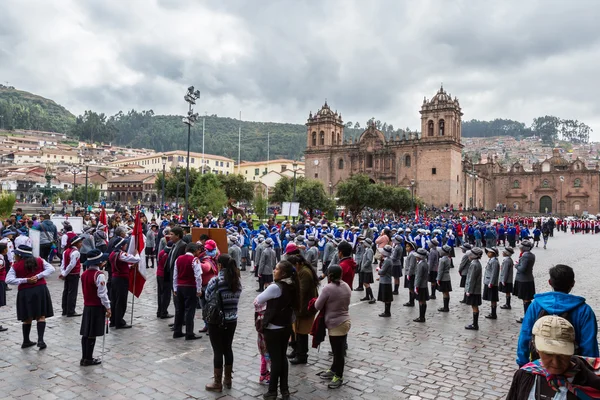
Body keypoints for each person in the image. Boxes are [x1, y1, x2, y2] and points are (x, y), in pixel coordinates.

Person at [516, 264, 599, 367]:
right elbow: (589, 344)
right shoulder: (584, 311)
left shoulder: (536, 306)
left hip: (540, 364)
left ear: (550, 282)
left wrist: (522, 362)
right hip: (571, 366)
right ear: (572, 284)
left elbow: (525, 335)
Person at [507, 315, 600, 399]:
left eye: (563, 354)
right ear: (536, 349)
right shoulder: (526, 375)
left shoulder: (592, 383)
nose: (556, 362)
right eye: (548, 354)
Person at [254, 260, 298, 400]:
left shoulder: (275, 287)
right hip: (285, 327)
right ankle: (285, 390)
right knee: (282, 358)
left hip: (273, 328)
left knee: (276, 360)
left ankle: (272, 391)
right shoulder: (293, 285)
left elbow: (257, 300)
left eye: (277, 269)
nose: (274, 270)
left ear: (283, 273)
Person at [204, 254, 242, 392]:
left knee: (217, 350)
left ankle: (217, 383)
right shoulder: (237, 281)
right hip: (232, 319)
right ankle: (228, 380)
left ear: (219, 265)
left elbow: (208, 296)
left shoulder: (215, 281)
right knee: (228, 348)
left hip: (217, 320)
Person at [5, 245, 55, 349]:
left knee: (27, 316)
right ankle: (40, 340)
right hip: (40, 289)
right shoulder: (39, 260)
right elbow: (51, 269)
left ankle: (26, 340)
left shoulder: (16, 266)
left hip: (25, 291)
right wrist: (38, 276)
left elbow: (8, 279)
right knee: (41, 315)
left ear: (20, 255)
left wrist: (25, 280)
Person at [314, 264, 351, 389]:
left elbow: (317, 306)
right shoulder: (346, 286)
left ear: (329, 275)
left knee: (338, 352)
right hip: (344, 321)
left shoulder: (327, 288)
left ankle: (339, 376)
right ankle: (333, 369)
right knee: (337, 350)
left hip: (336, 324)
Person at [79, 249, 111, 366]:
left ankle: (84, 357)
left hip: (87, 306)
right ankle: (88, 358)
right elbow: (102, 293)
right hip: (96, 306)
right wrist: (108, 307)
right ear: (100, 262)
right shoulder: (99, 275)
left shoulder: (84, 274)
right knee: (92, 333)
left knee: (86, 332)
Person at [287, 254, 319, 365]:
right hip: (300, 307)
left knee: (302, 332)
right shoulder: (302, 270)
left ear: (297, 264)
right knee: (296, 330)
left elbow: (301, 291)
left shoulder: (305, 272)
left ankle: (302, 355)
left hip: (305, 308)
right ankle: (296, 351)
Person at [172, 242, 202, 340]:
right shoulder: (195, 260)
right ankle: (189, 332)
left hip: (180, 287)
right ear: (194, 251)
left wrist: (175, 288)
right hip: (190, 287)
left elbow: (175, 275)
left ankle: (177, 330)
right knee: (190, 310)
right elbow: (198, 276)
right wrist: (199, 289)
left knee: (179, 310)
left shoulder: (178, 259)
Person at [108, 237, 140, 329]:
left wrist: (129, 267)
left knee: (114, 300)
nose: (126, 246)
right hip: (121, 279)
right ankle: (119, 321)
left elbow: (119, 265)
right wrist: (137, 254)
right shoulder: (121, 254)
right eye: (125, 244)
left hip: (114, 278)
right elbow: (136, 259)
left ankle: (113, 320)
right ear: (121, 246)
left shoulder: (113, 253)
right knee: (121, 301)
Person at [60, 235, 84, 317]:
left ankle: (65, 309)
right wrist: (65, 273)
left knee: (66, 291)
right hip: (73, 274)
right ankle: (70, 310)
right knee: (72, 293)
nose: (82, 244)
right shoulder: (76, 252)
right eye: (80, 242)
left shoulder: (66, 251)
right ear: (76, 243)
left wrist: (63, 272)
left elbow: (63, 263)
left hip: (67, 274)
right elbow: (72, 265)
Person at [514, 239, 536, 323]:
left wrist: (516, 265)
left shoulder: (525, 256)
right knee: (526, 299)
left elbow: (522, 269)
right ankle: (528, 316)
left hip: (524, 280)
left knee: (526, 299)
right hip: (528, 279)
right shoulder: (531, 255)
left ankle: (527, 317)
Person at [464, 247, 483, 331]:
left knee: (474, 306)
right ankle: (475, 323)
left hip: (474, 290)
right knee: (474, 306)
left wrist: (469, 290)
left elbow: (471, 279)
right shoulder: (476, 263)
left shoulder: (474, 264)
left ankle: (475, 324)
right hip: (476, 289)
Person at [482, 247, 500, 320]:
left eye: (489, 252)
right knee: (491, 298)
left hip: (491, 282)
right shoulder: (491, 260)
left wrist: (491, 282)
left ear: (493, 253)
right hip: (488, 281)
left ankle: (493, 313)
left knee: (493, 298)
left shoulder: (494, 262)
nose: (487, 254)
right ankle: (492, 312)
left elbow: (494, 273)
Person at [376, 245, 394, 317]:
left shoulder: (387, 261)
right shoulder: (387, 260)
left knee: (387, 297)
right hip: (385, 280)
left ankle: (387, 312)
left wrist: (378, 270)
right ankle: (386, 311)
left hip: (386, 281)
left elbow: (382, 271)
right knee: (386, 297)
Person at [413, 248, 430, 323]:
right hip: (424, 285)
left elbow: (418, 276)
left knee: (421, 301)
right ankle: (422, 316)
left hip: (420, 285)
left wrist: (416, 286)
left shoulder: (421, 264)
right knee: (423, 301)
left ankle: (421, 317)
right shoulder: (425, 263)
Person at [156, 241, 172, 318]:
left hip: (159, 274)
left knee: (160, 294)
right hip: (165, 276)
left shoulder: (161, 252)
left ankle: (159, 311)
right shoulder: (169, 254)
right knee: (166, 295)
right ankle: (164, 312)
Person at [436, 244, 453, 313]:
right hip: (447, 277)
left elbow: (440, 271)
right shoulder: (448, 259)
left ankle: (445, 307)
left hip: (443, 278)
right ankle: (446, 306)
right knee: (447, 292)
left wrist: (438, 279)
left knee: (444, 293)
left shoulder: (442, 260)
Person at [360, 238, 375, 303]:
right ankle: (367, 296)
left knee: (366, 283)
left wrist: (364, 266)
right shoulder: (367, 250)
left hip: (367, 270)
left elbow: (369, 260)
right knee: (365, 282)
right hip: (365, 269)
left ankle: (372, 297)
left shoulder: (369, 251)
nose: (363, 244)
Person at [403, 240, 417, 307]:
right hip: (409, 273)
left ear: (412, 247)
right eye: (406, 247)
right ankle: (410, 301)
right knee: (410, 288)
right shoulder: (410, 254)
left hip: (411, 274)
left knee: (411, 288)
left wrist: (409, 274)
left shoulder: (412, 255)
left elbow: (412, 265)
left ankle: (412, 301)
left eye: (408, 246)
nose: (406, 248)